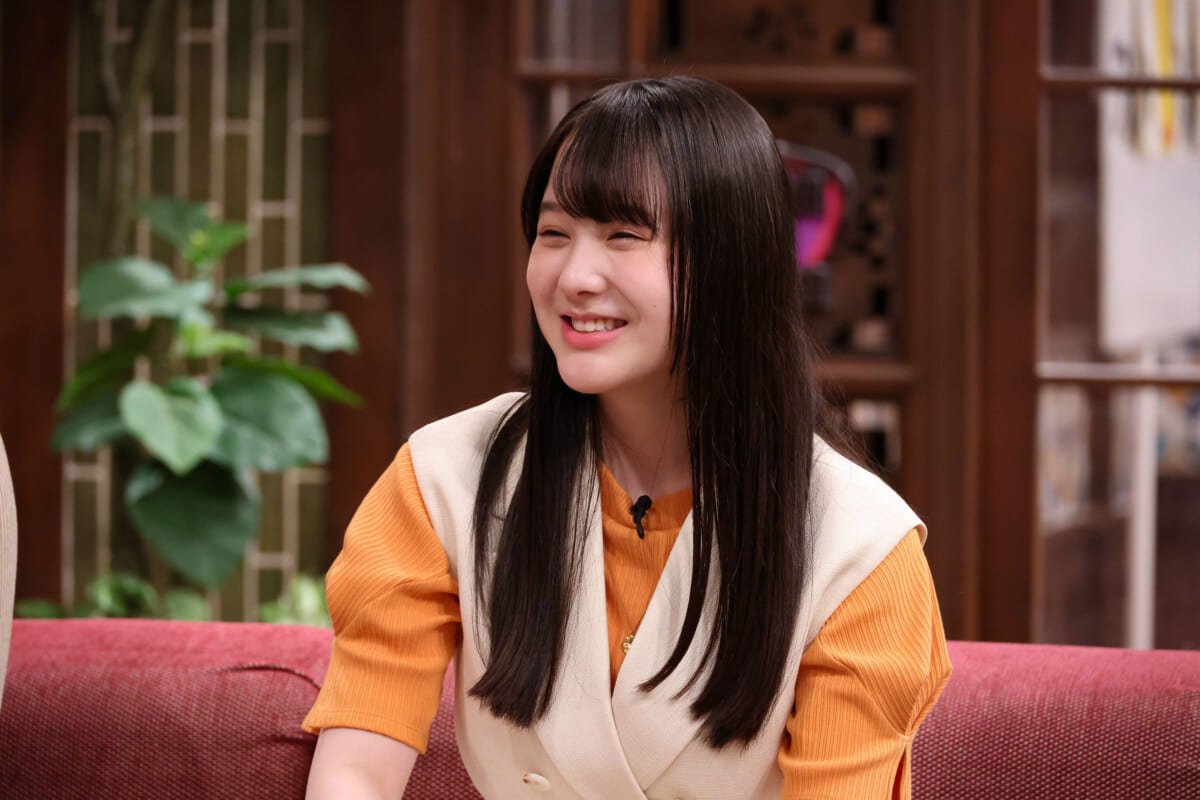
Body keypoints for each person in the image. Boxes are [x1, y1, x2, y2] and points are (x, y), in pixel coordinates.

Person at [304, 76, 951, 799]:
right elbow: (355, 775)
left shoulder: (859, 550)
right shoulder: (442, 479)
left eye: (623, 236)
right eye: (554, 233)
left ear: (731, 263)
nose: (574, 277)